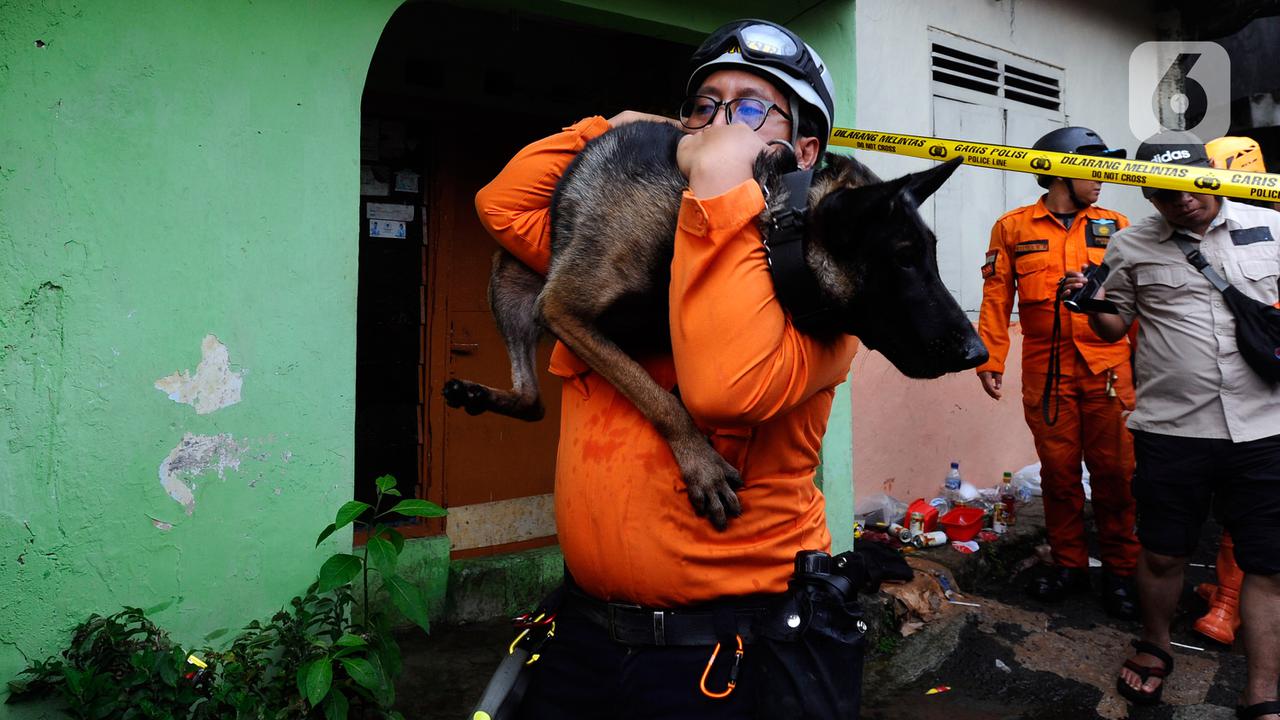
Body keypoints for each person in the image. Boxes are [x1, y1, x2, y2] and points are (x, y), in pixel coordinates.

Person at [473, 19, 861, 718]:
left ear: (803, 151)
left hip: (728, 650)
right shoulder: (617, 254)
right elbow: (504, 205)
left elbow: (724, 390)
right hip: (587, 634)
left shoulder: (810, 298)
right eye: (704, 106)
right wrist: (611, 128)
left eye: (750, 109)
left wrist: (718, 183)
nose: (719, 123)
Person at [1066, 131, 1280, 716]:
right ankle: (1155, 645)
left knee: (1269, 564)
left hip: (1264, 429)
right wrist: (1089, 304)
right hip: (1173, 432)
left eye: (1191, 184)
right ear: (1147, 195)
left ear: (1211, 173)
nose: (1183, 200)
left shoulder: (1271, 225)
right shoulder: (1130, 245)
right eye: (1165, 192)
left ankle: (1263, 691)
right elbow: (1114, 325)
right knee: (1162, 553)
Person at [975, 126, 1141, 619]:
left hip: (1109, 368)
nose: (1102, 178)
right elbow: (997, 296)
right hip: (1047, 371)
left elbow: (1136, 300)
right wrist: (990, 357)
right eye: (1094, 168)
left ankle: (1122, 572)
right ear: (1062, 170)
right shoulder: (1013, 227)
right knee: (1060, 474)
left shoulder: (1119, 226)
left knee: (1116, 475)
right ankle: (1070, 564)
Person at [1190, 134, 1276, 646]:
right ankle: (1233, 593)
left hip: (1265, 390)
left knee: (1253, 506)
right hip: (1232, 390)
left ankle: (1228, 604)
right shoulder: (1216, 228)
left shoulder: (1267, 230)